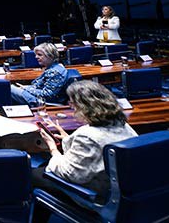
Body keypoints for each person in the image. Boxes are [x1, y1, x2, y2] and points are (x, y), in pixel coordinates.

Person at [32, 81, 138, 222]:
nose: (72, 109)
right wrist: (68, 139)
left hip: (94, 197)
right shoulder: (125, 126)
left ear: (83, 106)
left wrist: (52, 148)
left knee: (32, 175)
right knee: (43, 167)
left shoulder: (87, 135)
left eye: (72, 104)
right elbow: (94, 152)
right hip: (118, 189)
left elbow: (69, 174)